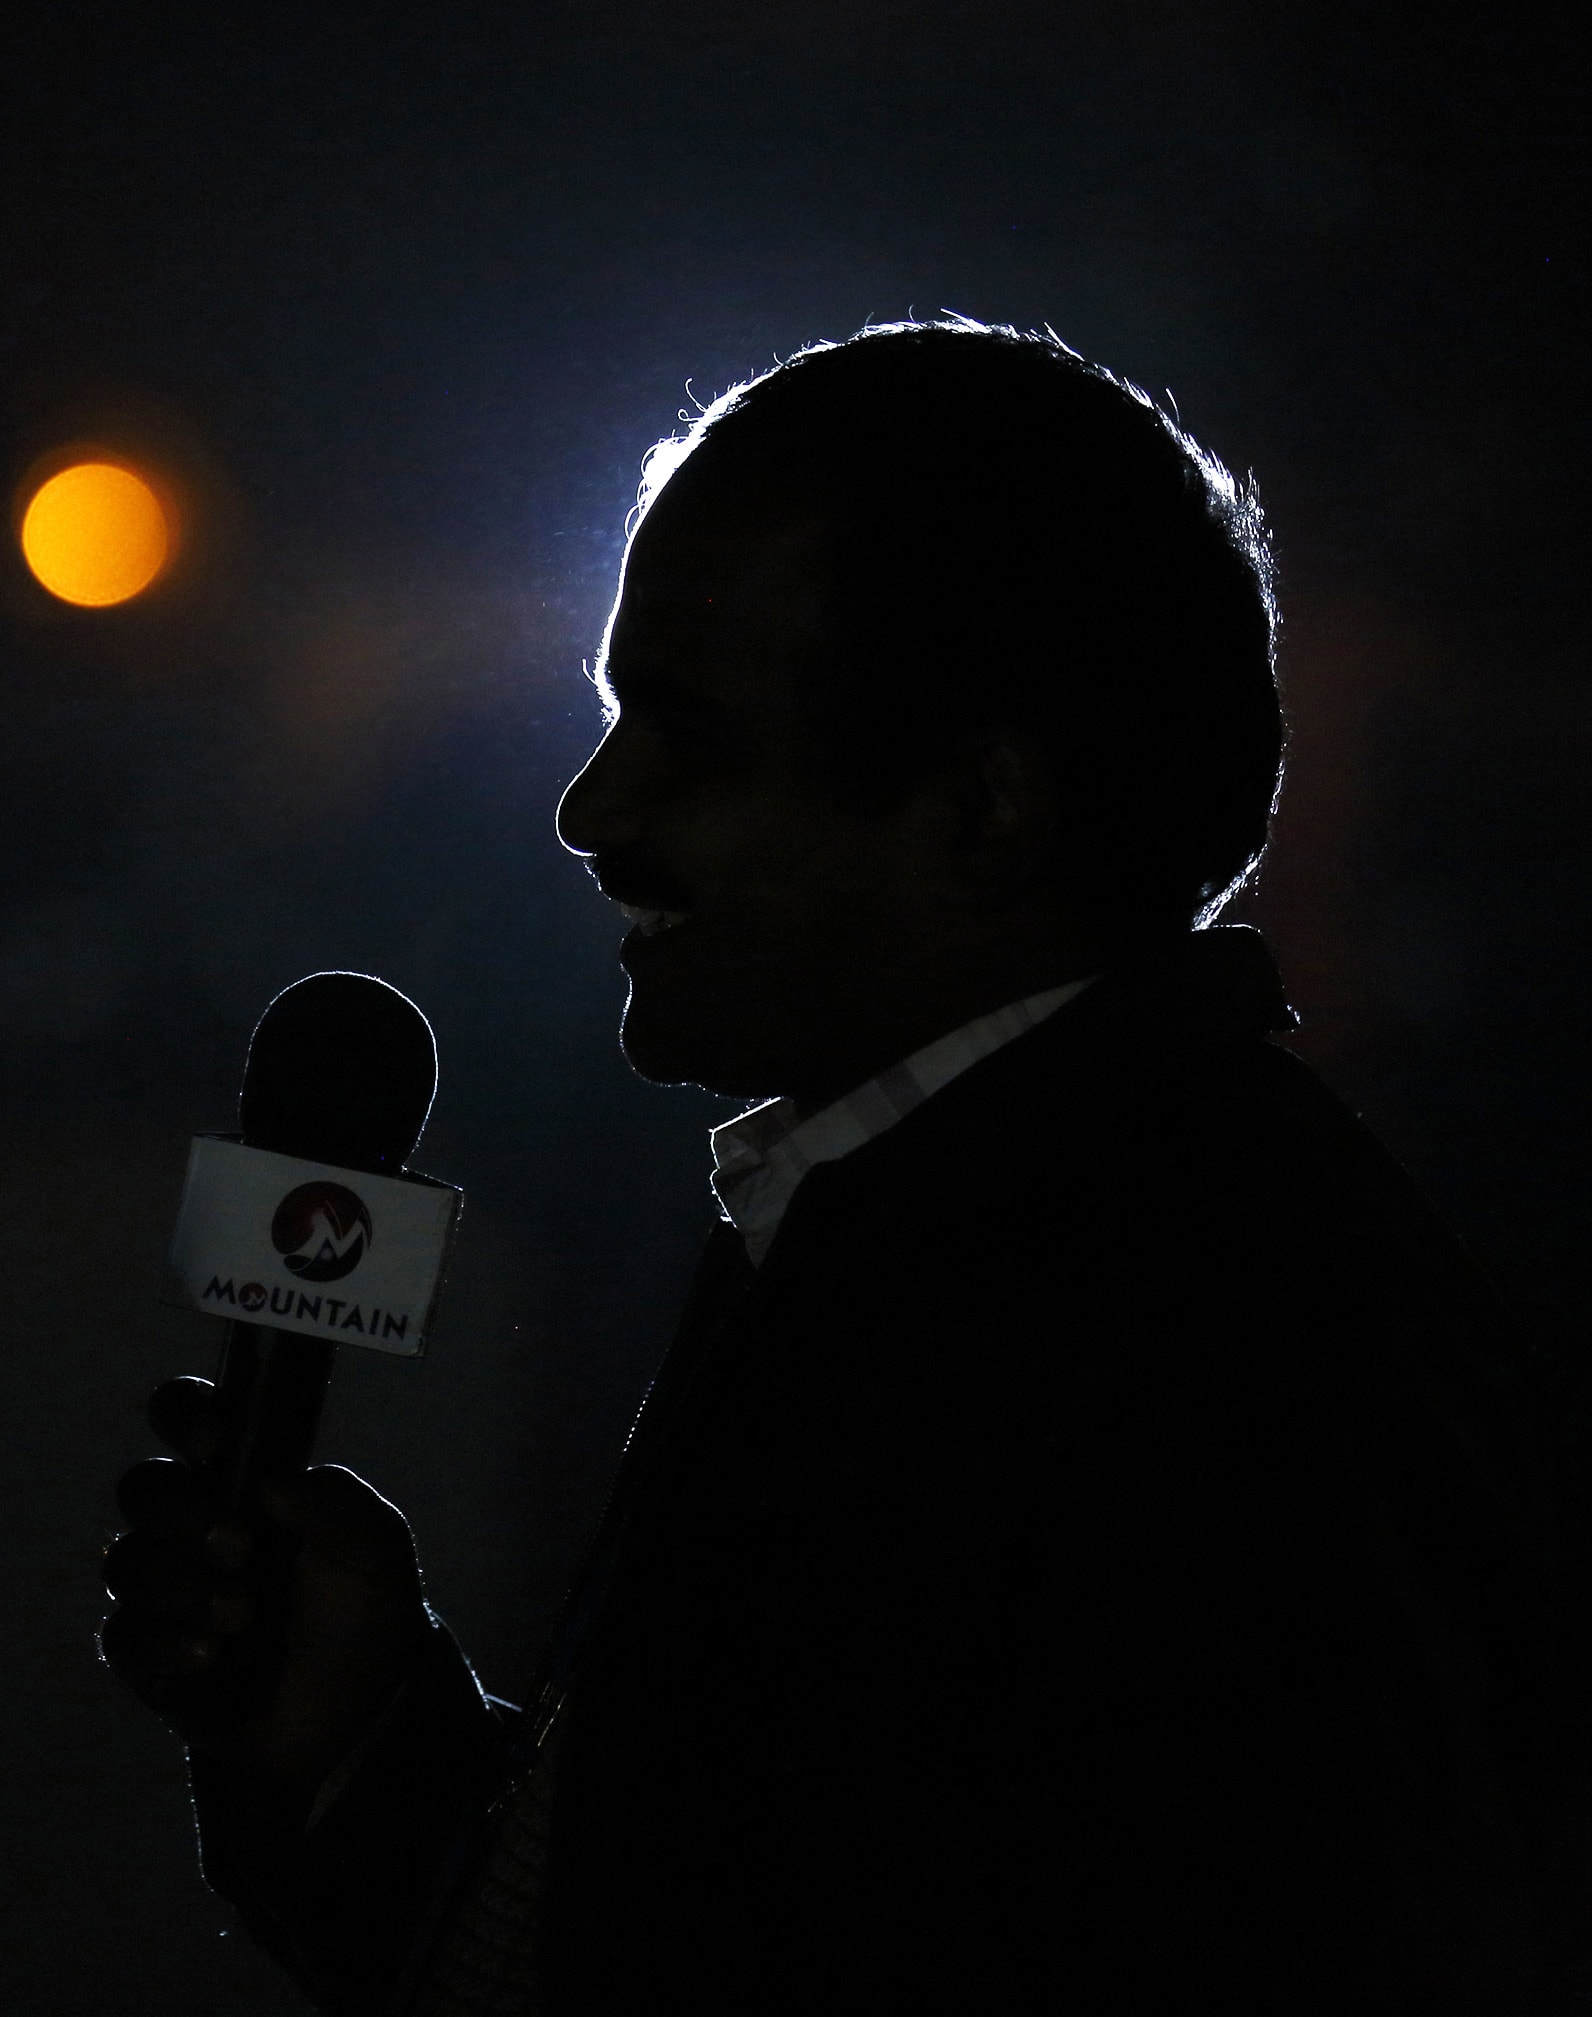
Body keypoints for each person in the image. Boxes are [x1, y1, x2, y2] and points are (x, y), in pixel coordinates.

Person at [103, 320, 1572, 2010]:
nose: (592, 809)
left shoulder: (1200, 1337)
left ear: (984, 806)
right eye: (612, 716)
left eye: (695, 736)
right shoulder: (948, 1232)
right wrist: (365, 1738)